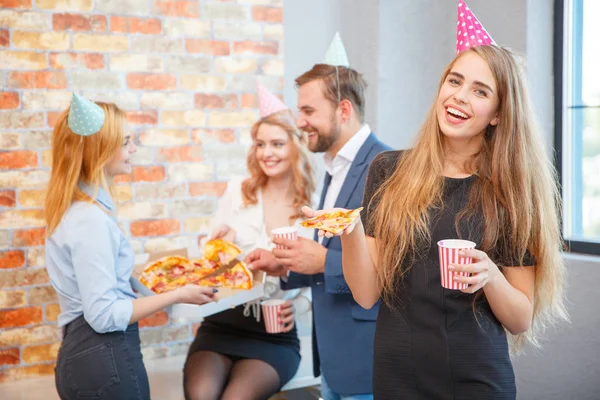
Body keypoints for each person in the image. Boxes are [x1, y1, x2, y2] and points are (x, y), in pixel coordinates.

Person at [306, 44, 568, 399]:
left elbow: (520, 318)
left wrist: (490, 275)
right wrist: (351, 231)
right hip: (396, 375)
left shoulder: (510, 194)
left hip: (475, 379)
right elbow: (367, 294)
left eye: (480, 91)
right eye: (454, 81)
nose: (459, 96)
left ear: (497, 114)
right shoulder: (389, 170)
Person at [246, 33, 391, 400]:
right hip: (332, 358)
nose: (299, 122)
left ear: (343, 110)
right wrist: (287, 266)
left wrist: (322, 259)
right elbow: (329, 255)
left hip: (366, 361)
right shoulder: (331, 168)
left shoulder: (387, 166)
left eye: (308, 111)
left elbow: (391, 266)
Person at [45, 95, 217, 400]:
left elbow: (109, 281)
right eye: (125, 142)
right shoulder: (90, 220)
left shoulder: (81, 209)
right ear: (100, 151)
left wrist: (170, 280)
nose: (133, 149)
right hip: (103, 359)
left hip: (86, 358)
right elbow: (104, 315)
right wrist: (176, 295)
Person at [183, 83, 316, 400]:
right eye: (260, 144)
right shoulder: (236, 191)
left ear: (296, 146)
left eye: (277, 144)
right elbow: (209, 265)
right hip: (221, 325)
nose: (267, 153)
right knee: (201, 396)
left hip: (273, 335)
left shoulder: (313, 205)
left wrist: (298, 306)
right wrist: (216, 245)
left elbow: (319, 271)